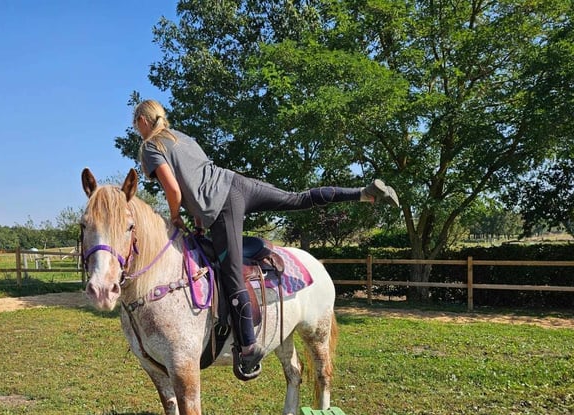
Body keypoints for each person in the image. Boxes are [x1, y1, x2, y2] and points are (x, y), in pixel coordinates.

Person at [133, 99, 399, 380]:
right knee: (297, 198)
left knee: (231, 274)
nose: (138, 132)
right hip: (235, 184)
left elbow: (174, 189)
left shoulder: (151, 146)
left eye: (137, 126)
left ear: (142, 121)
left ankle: (248, 346)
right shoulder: (183, 138)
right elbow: (198, 182)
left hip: (223, 208)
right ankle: (364, 193)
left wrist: (175, 217)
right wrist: (199, 221)